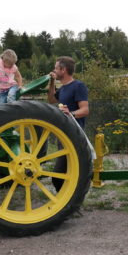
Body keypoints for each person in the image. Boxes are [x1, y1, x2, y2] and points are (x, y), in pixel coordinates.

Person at [47, 56, 89, 191]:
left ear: (63, 70)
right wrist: (52, 81)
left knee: (58, 176)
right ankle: (68, 202)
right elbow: (51, 99)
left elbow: (85, 110)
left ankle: (68, 204)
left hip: (74, 135)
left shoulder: (78, 86)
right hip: (63, 135)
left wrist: (70, 114)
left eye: (56, 68)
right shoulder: (63, 88)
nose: (54, 70)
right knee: (67, 173)